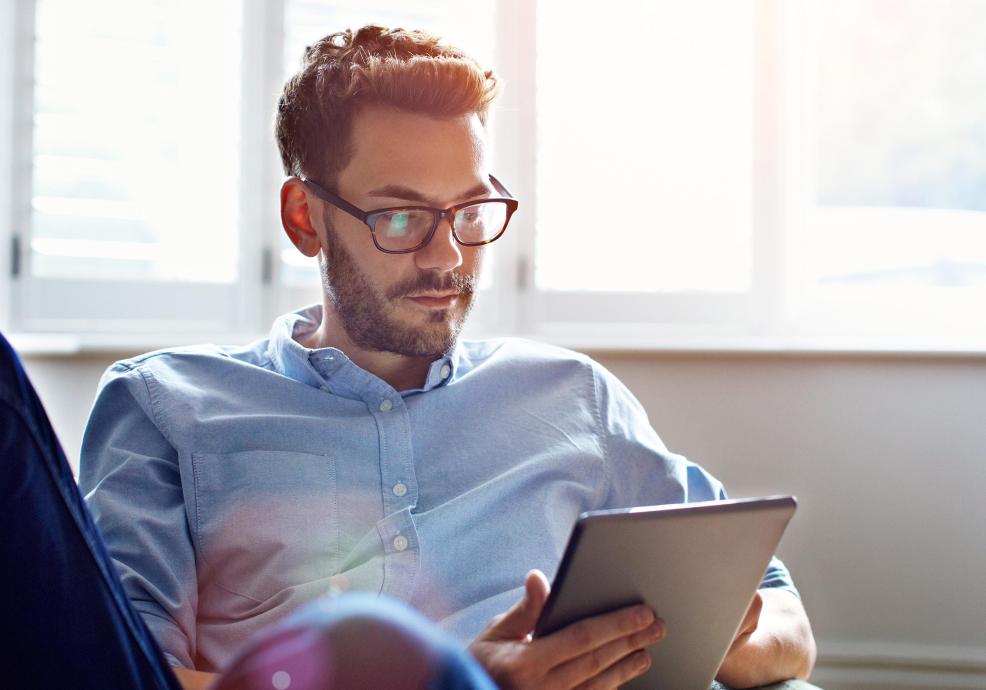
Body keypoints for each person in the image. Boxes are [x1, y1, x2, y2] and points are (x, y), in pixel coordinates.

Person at [74, 24, 816, 690]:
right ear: (305, 219)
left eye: (468, 212)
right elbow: (129, 674)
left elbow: (786, 623)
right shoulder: (167, 408)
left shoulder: (573, 396)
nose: (448, 257)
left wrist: (728, 642)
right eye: (400, 216)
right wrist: (454, 682)